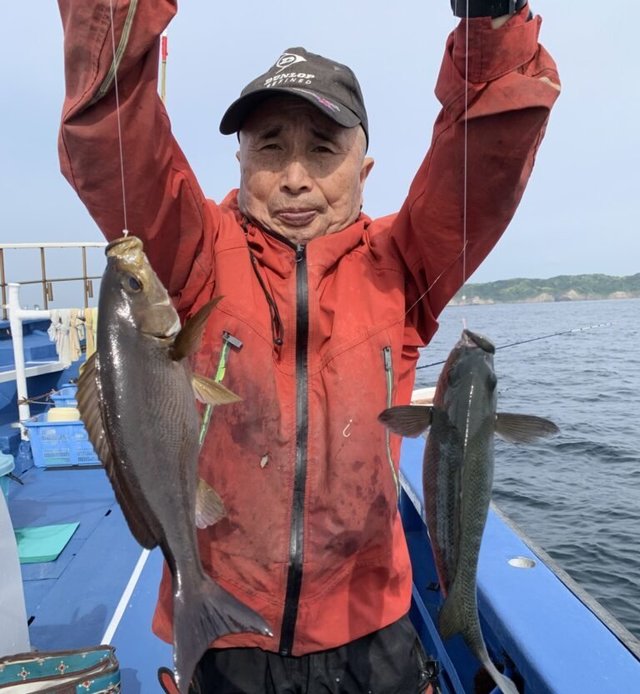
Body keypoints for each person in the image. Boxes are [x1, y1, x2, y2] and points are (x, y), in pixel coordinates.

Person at [57, 1, 560, 691]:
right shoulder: (191, 252)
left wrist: (493, 26)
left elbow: (488, 162)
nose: (295, 177)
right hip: (224, 632)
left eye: (322, 150)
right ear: (239, 161)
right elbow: (110, 139)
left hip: (369, 629)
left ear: (364, 169)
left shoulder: (402, 264)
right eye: (270, 147)